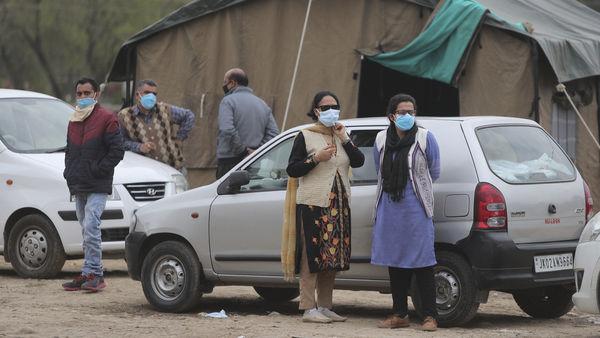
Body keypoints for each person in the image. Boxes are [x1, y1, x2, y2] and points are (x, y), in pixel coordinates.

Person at [282, 91, 364, 323]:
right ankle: (309, 307)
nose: (331, 110)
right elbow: (292, 169)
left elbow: (358, 161)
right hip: (314, 204)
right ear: (316, 110)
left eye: (334, 106)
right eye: (325, 107)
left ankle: (326, 306)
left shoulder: (341, 134)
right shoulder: (305, 135)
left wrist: (345, 139)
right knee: (312, 256)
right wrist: (315, 158)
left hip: (339, 205)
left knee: (332, 257)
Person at [371, 94, 440, 331]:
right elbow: (378, 169)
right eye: (402, 112)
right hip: (390, 207)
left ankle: (430, 316)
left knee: (423, 263)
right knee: (396, 261)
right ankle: (400, 313)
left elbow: (435, 170)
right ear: (391, 115)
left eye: (411, 111)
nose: (407, 116)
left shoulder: (424, 137)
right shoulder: (381, 139)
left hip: (416, 207)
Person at [62, 77, 124, 292]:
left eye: (87, 93)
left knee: (91, 225)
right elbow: (69, 151)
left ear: (96, 94)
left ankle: (96, 274)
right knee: (85, 228)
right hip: (78, 182)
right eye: (79, 94)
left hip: (97, 182)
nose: (82, 97)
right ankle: (89, 271)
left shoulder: (107, 118)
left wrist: (98, 170)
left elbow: (117, 151)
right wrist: (68, 172)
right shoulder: (74, 119)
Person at [117, 79, 195, 172]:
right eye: (147, 93)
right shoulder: (124, 116)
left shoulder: (165, 109)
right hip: (145, 172)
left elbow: (189, 116)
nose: (151, 96)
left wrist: (179, 138)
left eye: (154, 94)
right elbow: (120, 142)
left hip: (174, 168)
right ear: (138, 95)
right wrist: (139, 147)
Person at [216, 68, 279, 178]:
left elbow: (227, 129)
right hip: (254, 162)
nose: (223, 85)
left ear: (233, 83)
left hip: (229, 162)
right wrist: (256, 152)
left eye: (225, 82)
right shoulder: (262, 104)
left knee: (227, 194)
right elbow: (274, 133)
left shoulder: (227, 101)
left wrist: (243, 151)